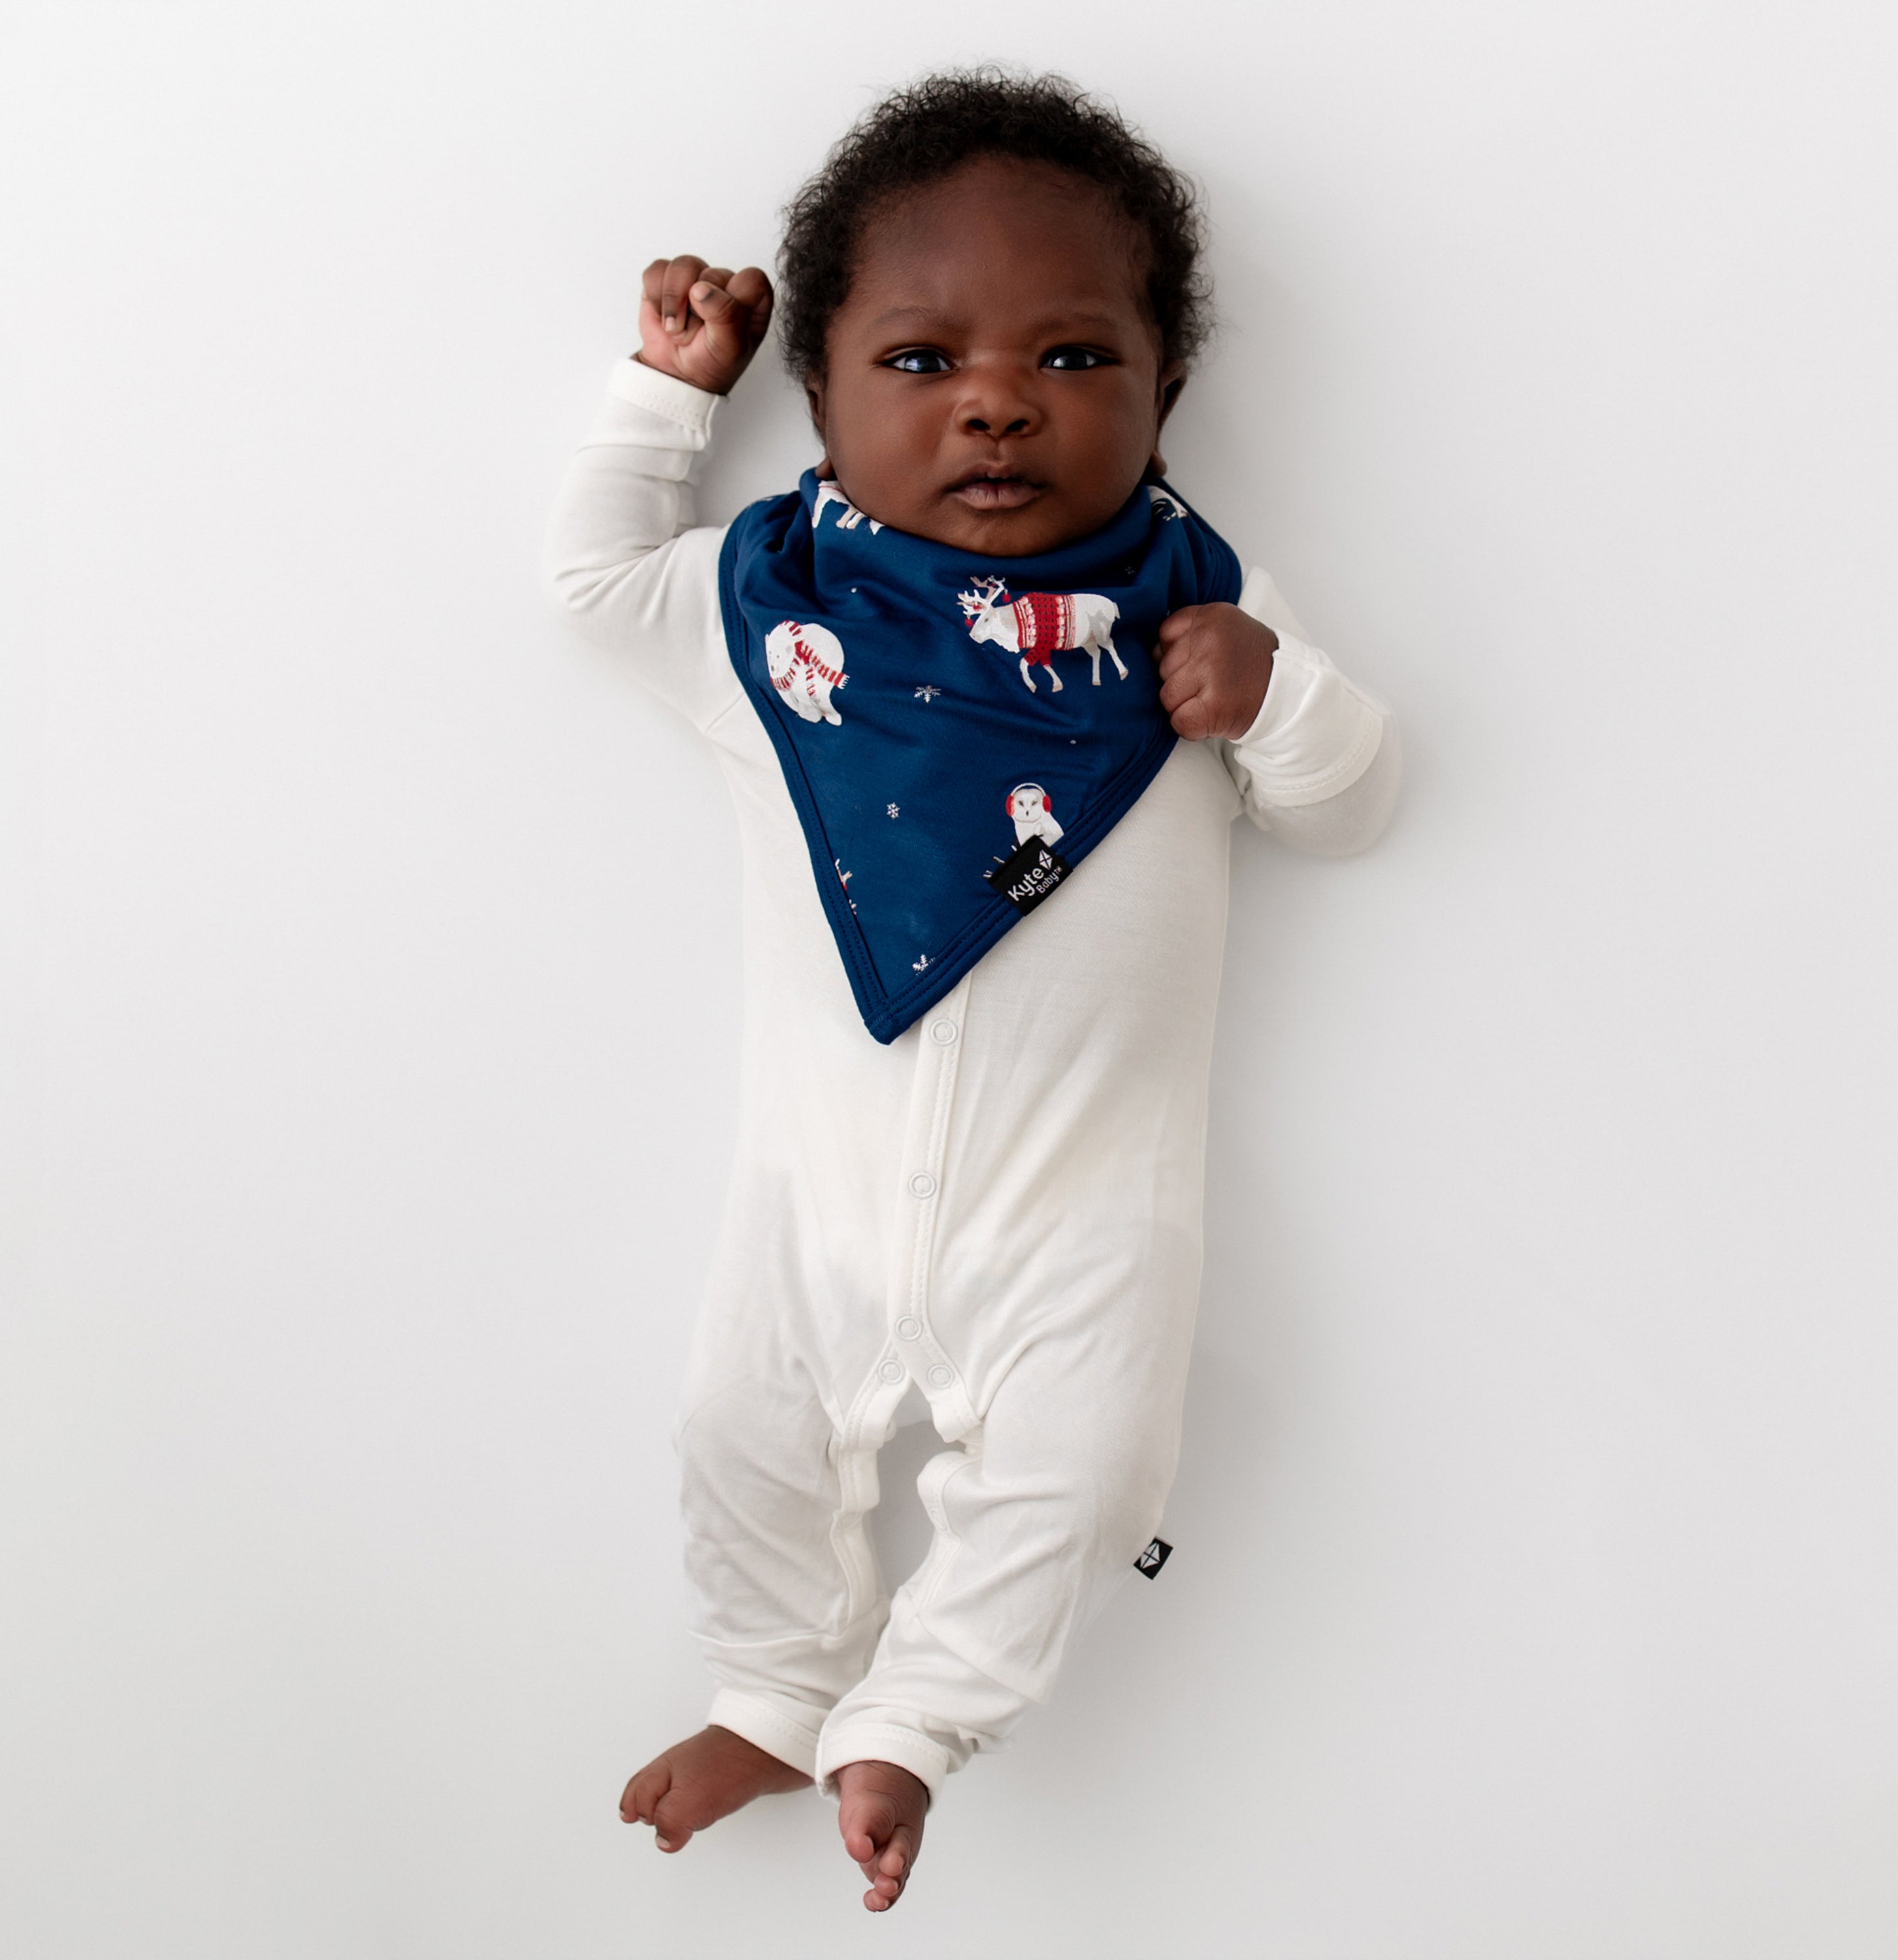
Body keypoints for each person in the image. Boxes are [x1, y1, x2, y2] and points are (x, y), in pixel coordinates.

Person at [544, 69, 1400, 1914]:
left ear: (1166, 384)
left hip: (1084, 1219)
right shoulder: (771, 626)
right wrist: (666, 396)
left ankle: (911, 1722)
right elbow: (595, 580)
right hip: (815, 1207)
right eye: (921, 362)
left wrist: (1285, 705)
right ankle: (774, 1690)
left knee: (1090, 1481)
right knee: (734, 1432)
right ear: (823, 397)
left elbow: (1355, 810)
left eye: (1074, 358)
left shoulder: (1201, 607)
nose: (998, 400)